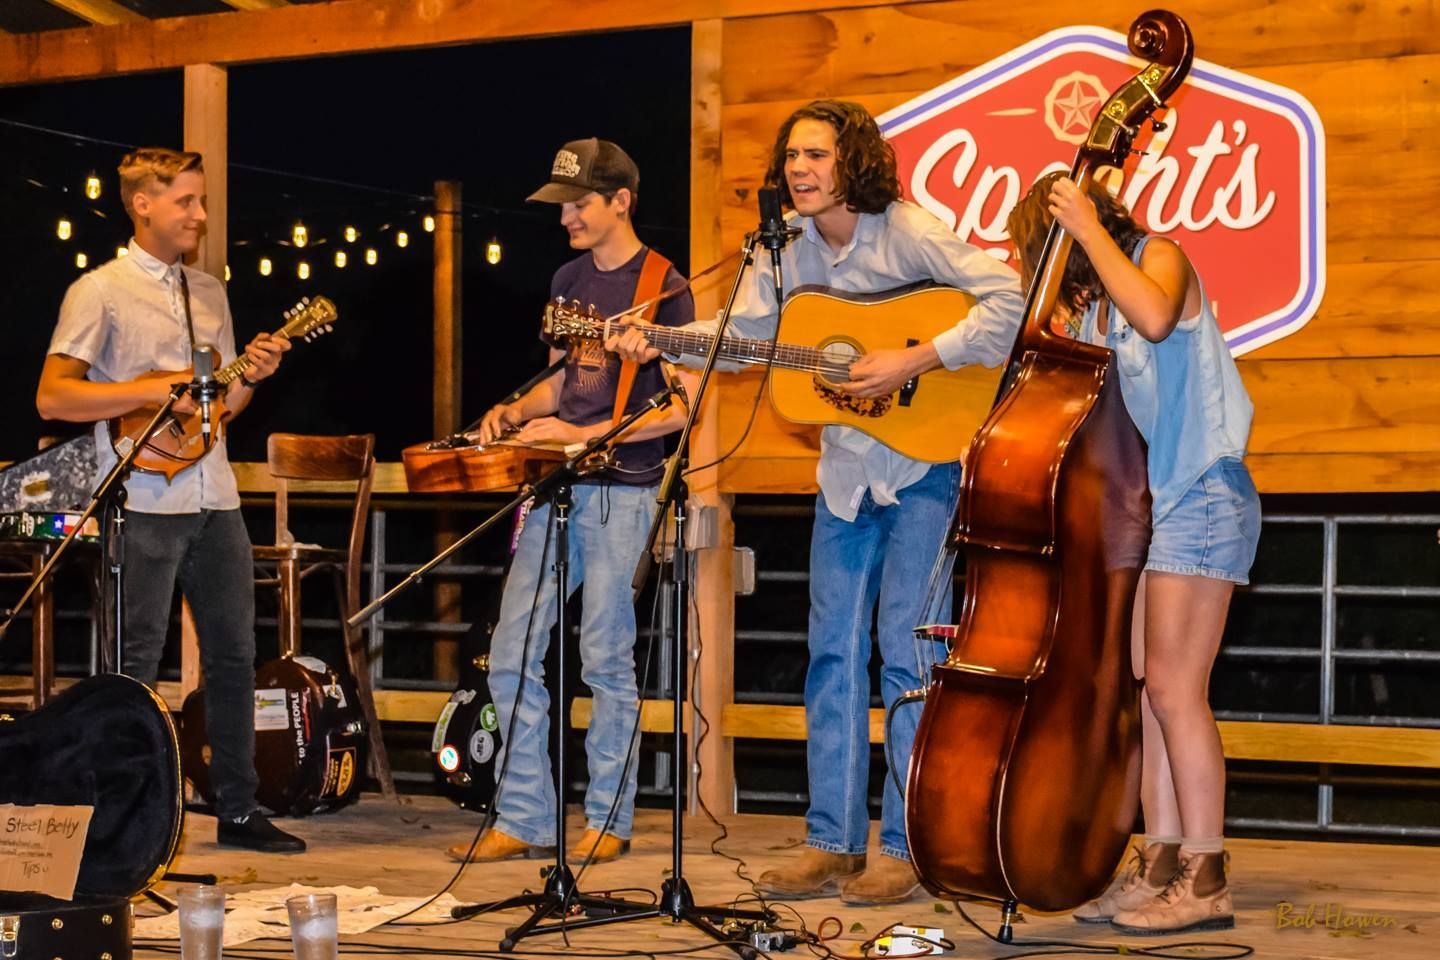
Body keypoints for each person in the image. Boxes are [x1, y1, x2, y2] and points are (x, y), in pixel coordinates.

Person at [611, 101, 1024, 904]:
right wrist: (659, 338)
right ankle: (832, 840)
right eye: (792, 156)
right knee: (831, 653)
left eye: (816, 155)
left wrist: (915, 359)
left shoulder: (908, 231)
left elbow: (1008, 300)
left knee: (907, 655)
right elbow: (744, 339)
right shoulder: (783, 248)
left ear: (853, 161)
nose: (799, 169)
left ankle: (906, 844)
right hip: (844, 476)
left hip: (923, 468)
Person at [1007, 171, 1259, 934]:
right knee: (1151, 691)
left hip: (1205, 492)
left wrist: (1084, 225)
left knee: (1177, 691)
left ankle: (1207, 877)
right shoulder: (1097, 312)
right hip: (1163, 509)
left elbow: (1154, 318)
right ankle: (1160, 861)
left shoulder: (1160, 258)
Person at [36, 147, 303, 853]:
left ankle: (238, 809)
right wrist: (157, 387)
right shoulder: (100, 290)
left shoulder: (210, 292)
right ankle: (123, 814)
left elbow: (219, 411)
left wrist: (252, 376)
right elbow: (54, 397)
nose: (200, 215)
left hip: (215, 493)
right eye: (186, 201)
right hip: (141, 497)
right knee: (135, 661)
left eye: (201, 200)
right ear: (142, 204)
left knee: (235, 655)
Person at [446, 138, 698, 866]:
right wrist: (517, 410)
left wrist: (583, 434)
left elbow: (683, 408)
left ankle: (610, 816)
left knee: (605, 659)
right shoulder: (567, 279)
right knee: (512, 649)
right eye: (562, 206)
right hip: (558, 485)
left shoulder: (666, 285)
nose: (566, 218)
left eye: (580, 203)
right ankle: (526, 814)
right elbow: (563, 378)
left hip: (625, 492)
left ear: (621, 200)